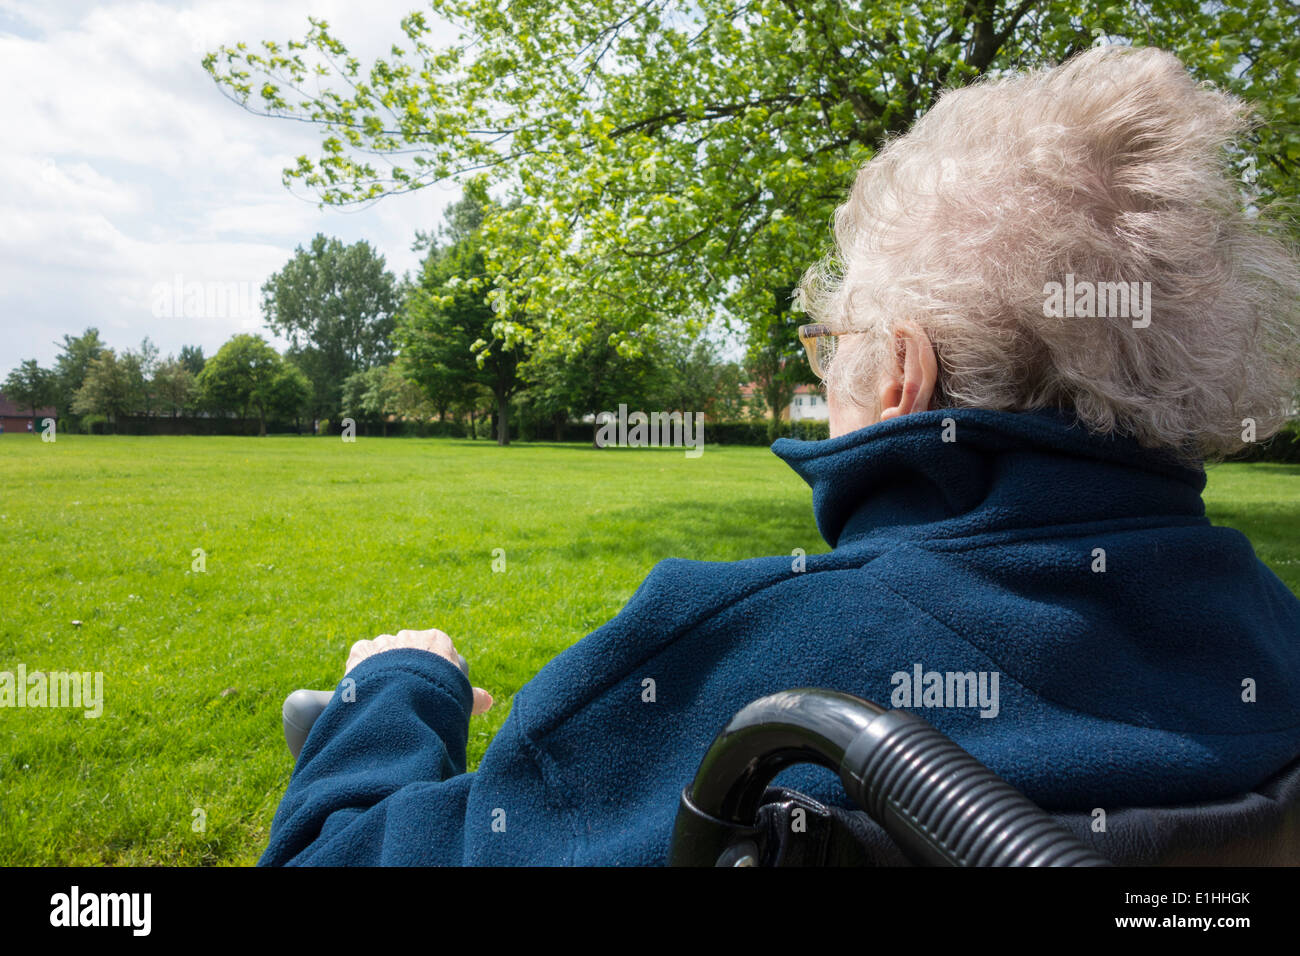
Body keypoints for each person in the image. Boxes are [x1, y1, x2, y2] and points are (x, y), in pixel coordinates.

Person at [261, 45, 1300, 866]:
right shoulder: (1272, 644)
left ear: (899, 370)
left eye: (833, 341)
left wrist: (395, 691)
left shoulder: (745, 670)